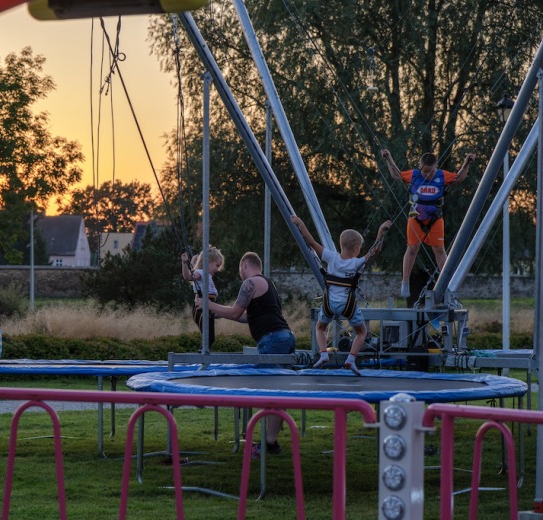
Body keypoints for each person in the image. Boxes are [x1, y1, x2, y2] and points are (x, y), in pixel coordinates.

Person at [197, 252, 294, 457]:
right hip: (283, 337)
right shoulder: (267, 283)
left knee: (273, 394)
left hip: (273, 340)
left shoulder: (250, 282)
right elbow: (243, 317)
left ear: (244, 266)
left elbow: (233, 312)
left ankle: (268, 443)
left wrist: (207, 305)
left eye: (239, 271)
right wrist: (216, 312)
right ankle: (271, 442)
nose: (240, 275)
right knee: (279, 392)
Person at [291, 216, 392, 375]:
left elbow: (311, 243)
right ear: (356, 248)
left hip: (329, 303)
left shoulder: (331, 257)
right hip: (348, 305)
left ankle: (323, 354)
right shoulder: (357, 263)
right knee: (361, 332)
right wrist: (381, 231)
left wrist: (300, 223)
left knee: (320, 327)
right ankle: (351, 359)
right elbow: (375, 251)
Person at [380, 149, 476, 297]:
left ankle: (446, 283)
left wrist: (467, 162)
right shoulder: (414, 175)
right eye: (425, 171)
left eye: (431, 171)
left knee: (439, 250)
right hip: (415, 216)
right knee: (412, 248)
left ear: (436, 168)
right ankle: (405, 282)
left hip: (435, 217)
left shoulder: (441, 175)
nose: (428, 174)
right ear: (420, 167)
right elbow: (396, 174)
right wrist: (389, 158)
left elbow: (459, 177)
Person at [180, 246, 224, 352]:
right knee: (208, 338)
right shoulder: (201, 273)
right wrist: (185, 263)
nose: (217, 269)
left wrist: (193, 261)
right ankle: (201, 356)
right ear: (208, 262)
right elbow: (188, 277)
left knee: (210, 338)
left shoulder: (206, 274)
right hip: (201, 310)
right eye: (217, 265)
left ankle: (202, 354)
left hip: (207, 309)